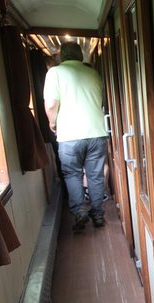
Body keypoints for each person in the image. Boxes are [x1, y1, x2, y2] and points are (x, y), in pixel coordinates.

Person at [43, 42, 108, 231]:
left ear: (61, 56)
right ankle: (97, 214)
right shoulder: (93, 73)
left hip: (70, 135)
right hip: (96, 133)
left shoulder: (54, 73)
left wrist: (52, 123)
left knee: (73, 175)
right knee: (95, 175)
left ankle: (80, 212)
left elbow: (51, 105)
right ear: (80, 55)